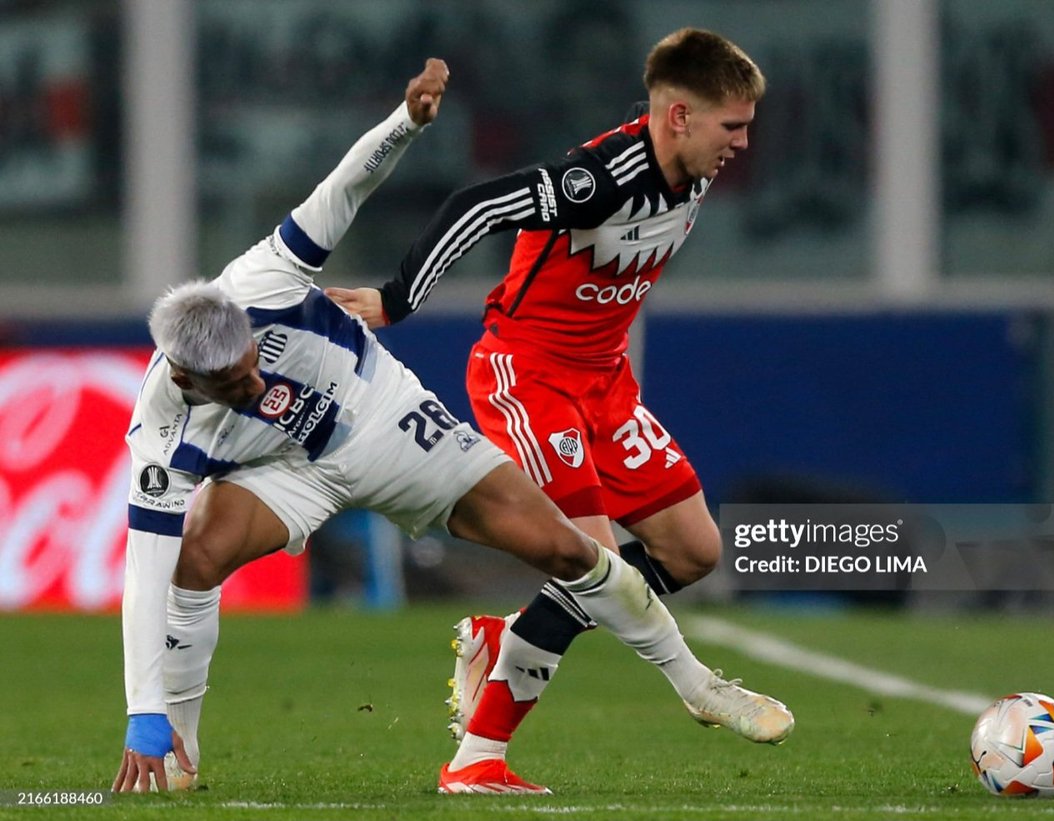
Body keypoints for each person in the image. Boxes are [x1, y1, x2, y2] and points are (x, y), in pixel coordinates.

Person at [111, 57, 791, 797]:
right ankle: (177, 755)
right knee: (193, 557)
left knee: (568, 552)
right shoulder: (159, 429)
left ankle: (689, 682)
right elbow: (142, 568)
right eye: (233, 386)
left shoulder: (259, 281)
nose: (254, 383)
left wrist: (405, 122)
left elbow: (344, 187)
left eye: (252, 364)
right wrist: (141, 710)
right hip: (283, 470)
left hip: (382, 419)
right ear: (184, 378)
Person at [325, 28, 774, 793]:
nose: (742, 142)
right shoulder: (600, 178)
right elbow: (477, 206)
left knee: (694, 549)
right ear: (678, 118)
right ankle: (483, 759)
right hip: (527, 374)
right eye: (731, 125)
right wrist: (397, 299)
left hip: (603, 382)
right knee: (597, 568)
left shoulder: (691, 167)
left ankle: (503, 640)